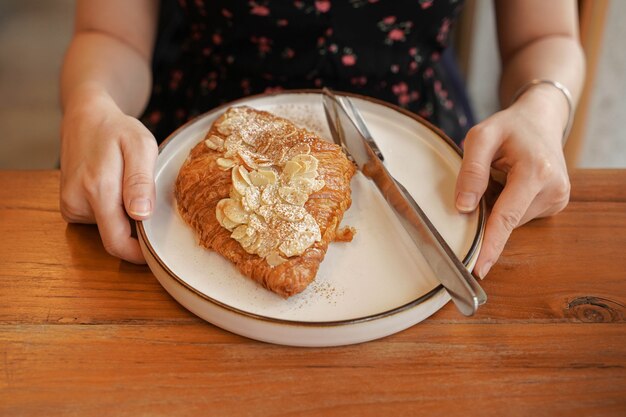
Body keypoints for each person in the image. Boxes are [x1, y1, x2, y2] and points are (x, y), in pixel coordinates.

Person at [59, 0, 585, 279]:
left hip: (424, 146)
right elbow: (112, 35)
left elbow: (546, 37)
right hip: (205, 138)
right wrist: (93, 103)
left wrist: (544, 106)